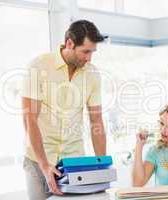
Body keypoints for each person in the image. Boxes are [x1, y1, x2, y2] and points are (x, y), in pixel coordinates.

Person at [22, 20, 107, 200]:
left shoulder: (92, 75)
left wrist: (102, 165)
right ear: (69, 43)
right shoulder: (39, 66)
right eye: (85, 51)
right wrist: (45, 165)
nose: (89, 58)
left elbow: (96, 120)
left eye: (93, 52)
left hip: (74, 161)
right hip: (39, 160)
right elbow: (30, 119)